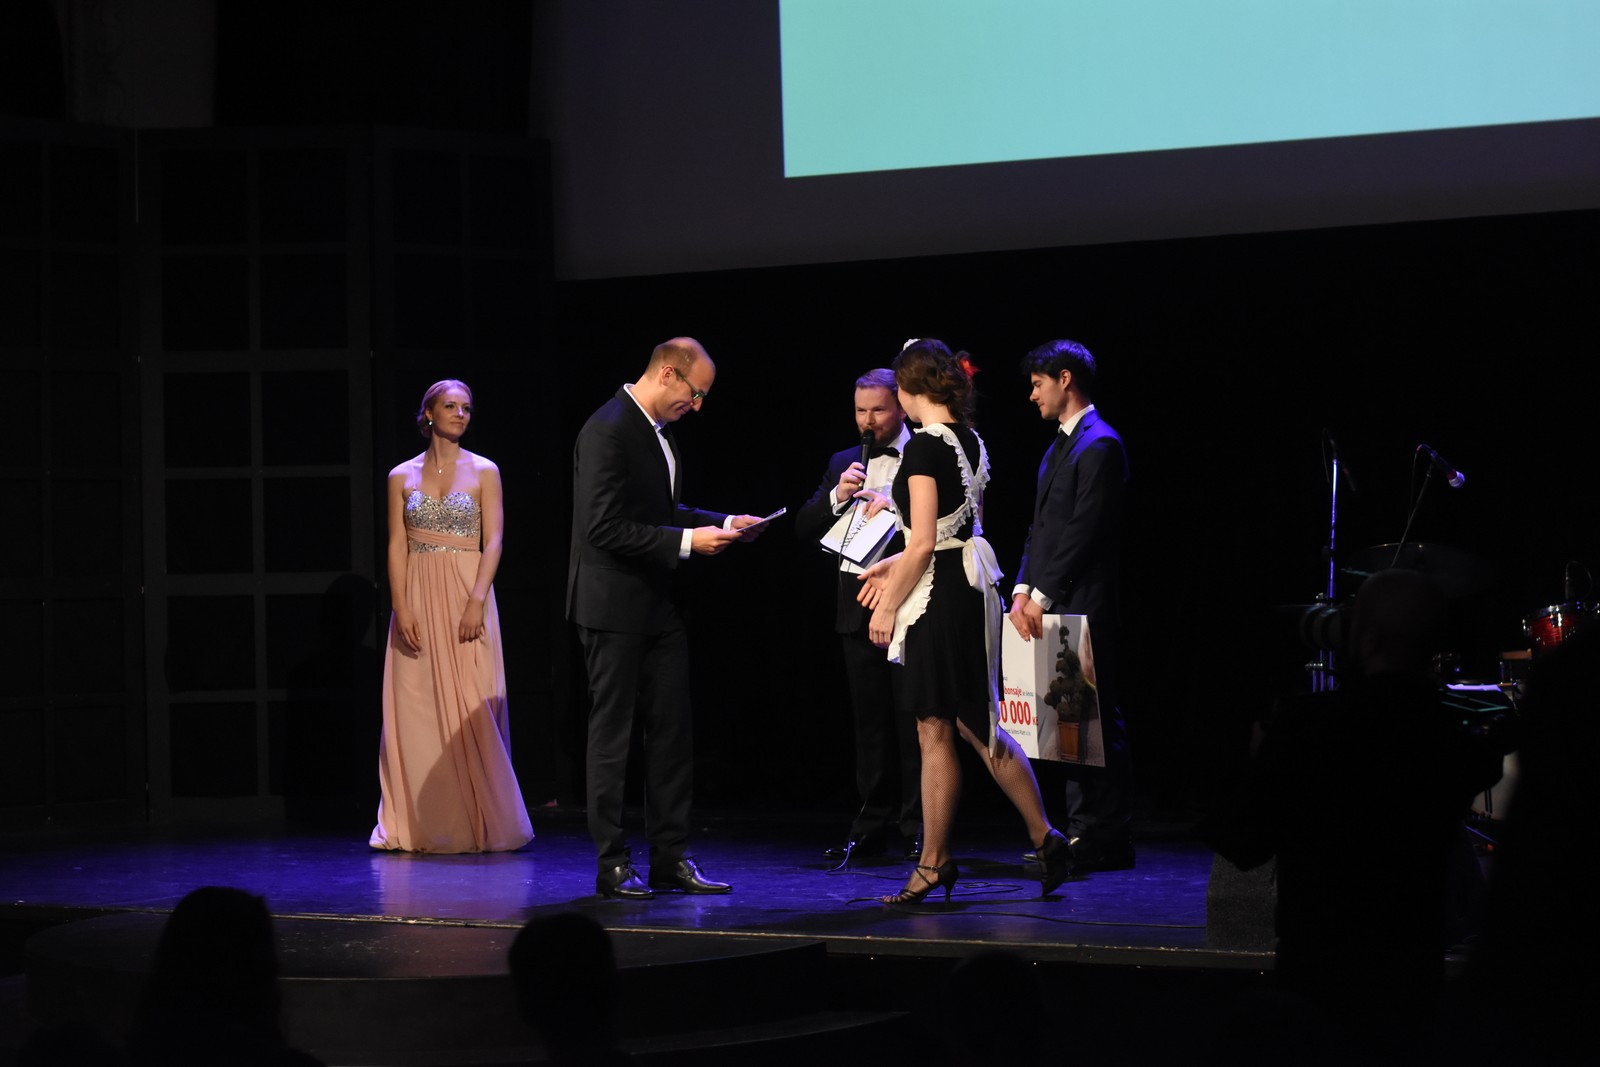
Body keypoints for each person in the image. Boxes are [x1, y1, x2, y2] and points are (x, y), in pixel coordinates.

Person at [1202, 569, 1504, 1050]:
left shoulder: (1307, 728)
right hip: (1411, 996)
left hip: (1314, 986)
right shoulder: (1453, 743)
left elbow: (1240, 841)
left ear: (1367, 638)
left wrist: (1255, 760)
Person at [858, 339, 1071, 904]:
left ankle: (933, 861)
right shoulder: (969, 440)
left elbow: (925, 542)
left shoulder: (925, 446)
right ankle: (1046, 838)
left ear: (908, 390)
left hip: (940, 597)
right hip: (968, 589)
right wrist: (893, 563)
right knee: (980, 722)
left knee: (934, 729)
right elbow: (950, 530)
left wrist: (887, 604)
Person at [567, 337, 764, 899]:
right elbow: (602, 526)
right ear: (669, 374)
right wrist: (687, 543)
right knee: (613, 737)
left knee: (672, 736)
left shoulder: (660, 432)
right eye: (695, 394)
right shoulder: (607, 429)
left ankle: (670, 858)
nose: (696, 406)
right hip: (612, 606)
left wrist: (723, 522)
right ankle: (612, 863)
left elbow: (661, 512)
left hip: (659, 604)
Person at [370, 379, 534, 853]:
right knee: (417, 708)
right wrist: (401, 606)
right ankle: (423, 822)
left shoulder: (484, 470)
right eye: (450, 406)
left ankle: (480, 819)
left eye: (467, 408)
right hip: (418, 596)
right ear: (428, 414)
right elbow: (397, 544)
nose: (460, 414)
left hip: (467, 592)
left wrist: (476, 600)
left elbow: (494, 539)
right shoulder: (400, 476)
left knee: (471, 704)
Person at [1008, 339, 1134, 873]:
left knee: (1094, 720)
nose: (1032, 395)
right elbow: (1041, 528)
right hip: (1055, 599)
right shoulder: (1059, 446)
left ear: (1065, 379)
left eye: (1037, 384)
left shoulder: (1100, 444)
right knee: (1070, 721)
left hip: (1085, 601)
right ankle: (1084, 831)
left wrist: (1041, 594)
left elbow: (1084, 532)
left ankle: (1106, 836)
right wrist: (1021, 588)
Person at [794, 368, 921, 863]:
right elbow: (804, 526)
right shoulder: (843, 461)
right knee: (870, 726)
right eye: (860, 411)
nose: (868, 421)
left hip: (910, 604)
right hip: (856, 608)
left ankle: (919, 828)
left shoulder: (925, 452)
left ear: (902, 407)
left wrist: (896, 508)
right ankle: (869, 827)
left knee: (915, 723)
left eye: (878, 410)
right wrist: (838, 497)